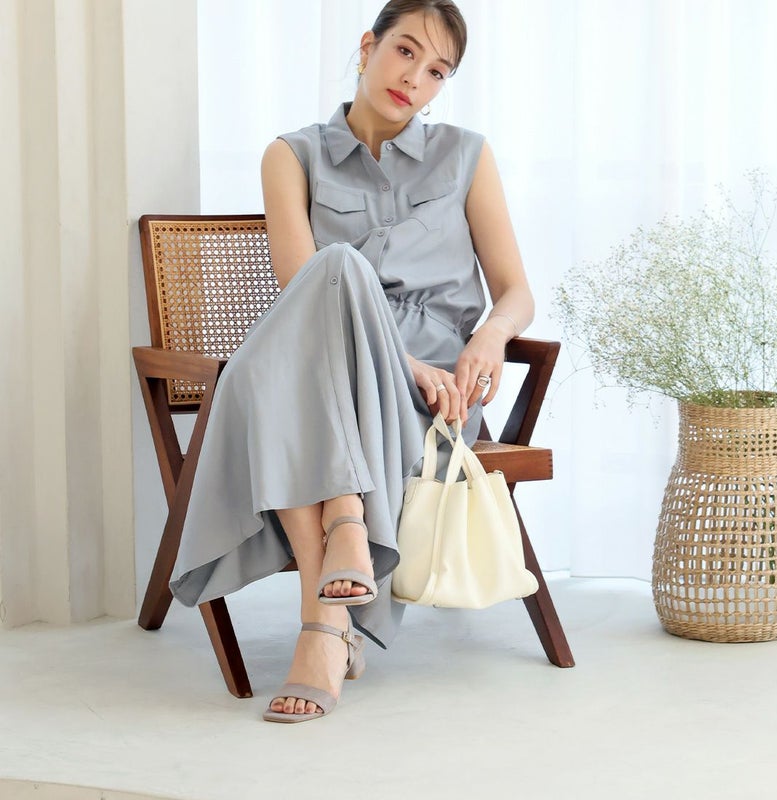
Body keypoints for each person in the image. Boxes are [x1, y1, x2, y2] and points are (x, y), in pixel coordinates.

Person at [169, 0, 534, 723]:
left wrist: (490, 336)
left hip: (430, 397)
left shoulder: (466, 154)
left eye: (438, 71)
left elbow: (516, 291)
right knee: (331, 276)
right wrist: (395, 359)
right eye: (405, 51)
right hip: (330, 368)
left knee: (261, 377)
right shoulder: (291, 155)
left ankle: (330, 590)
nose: (416, 78)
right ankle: (334, 596)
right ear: (368, 47)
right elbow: (301, 292)